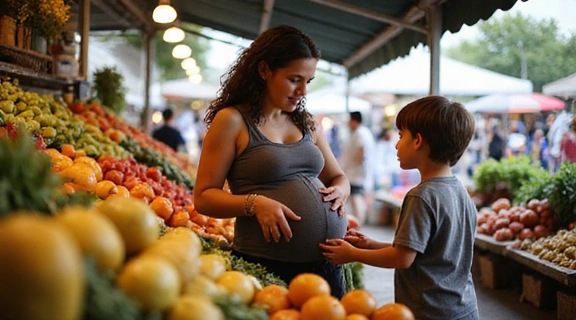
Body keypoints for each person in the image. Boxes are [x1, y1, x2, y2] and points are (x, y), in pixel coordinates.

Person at [192, 25, 350, 298]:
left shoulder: (307, 122)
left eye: (308, 82)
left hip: (327, 269)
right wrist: (254, 203)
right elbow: (204, 198)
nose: (303, 91)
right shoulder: (232, 121)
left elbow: (338, 177)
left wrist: (341, 190)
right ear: (264, 70)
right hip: (267, 269)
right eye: (294, 79)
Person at [320, 96, 479, 319]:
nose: (396, 144)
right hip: (463, 308)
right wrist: (371, 244)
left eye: (401, 135)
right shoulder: (461, 193)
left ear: (418, 141)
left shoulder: (421, 196)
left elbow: (402, 259)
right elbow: (428, 252)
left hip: (429, 311)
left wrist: (354, 254)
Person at [339, 111, 375, 226]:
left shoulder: (360, 133)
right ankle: (357, 223)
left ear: (354, 120)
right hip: (356, 171)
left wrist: (356, 164)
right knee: (356, 197)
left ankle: (358, 224)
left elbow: (361, 150)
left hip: (356, 173)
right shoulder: (363, 132)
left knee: (356, 197)